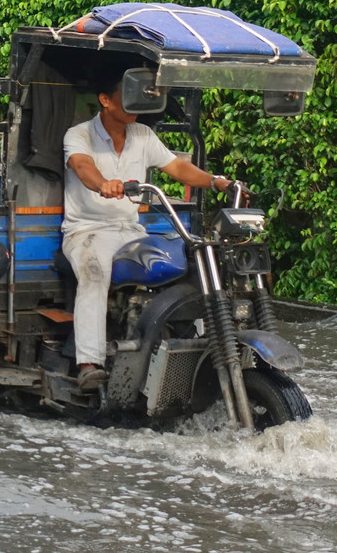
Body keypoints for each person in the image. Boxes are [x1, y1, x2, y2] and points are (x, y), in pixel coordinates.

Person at [62, 66, 232, 391]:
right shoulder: (79, 134)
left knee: (189, 263)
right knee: (94, 274)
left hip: (130, 231)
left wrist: (217, 182)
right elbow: (83, 167)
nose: (135, 104)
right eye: (127, 97)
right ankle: (89, 363)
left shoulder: (142, 135)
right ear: (105, 101)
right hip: (86, 232)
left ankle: (195, 347)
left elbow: (178, 167)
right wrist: (102, 184)